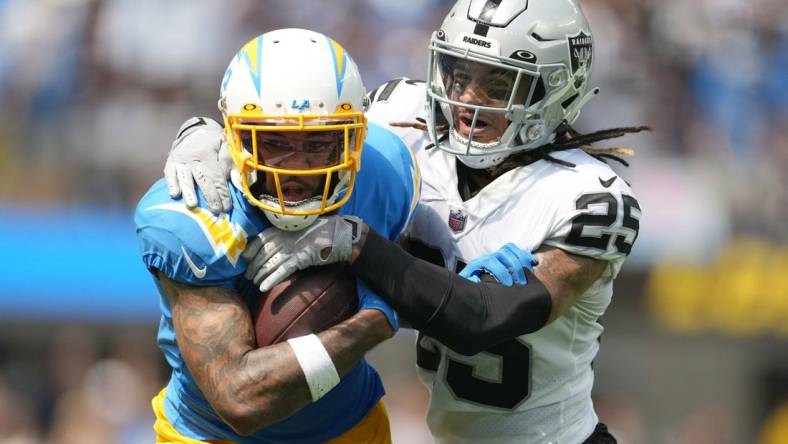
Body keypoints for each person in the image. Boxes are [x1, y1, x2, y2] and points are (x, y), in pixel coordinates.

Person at [164, 1, 646, 442]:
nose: (466, 100)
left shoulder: (590, 199)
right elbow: (309, 131)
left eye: (499, 84)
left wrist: (356, 244)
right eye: (458, 75)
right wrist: (211, 133)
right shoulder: (400, 118)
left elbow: (483, 318)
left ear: (558, 87)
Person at [135, 28, 423, 443]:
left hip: (350, 429)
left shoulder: (384, 173)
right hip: (214, 436)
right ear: (233, 137)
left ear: (356, 136)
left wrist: (380, 262)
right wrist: (377, 315)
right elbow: (241, 401)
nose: (298, 168)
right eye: (274, 142)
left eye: (320, 142)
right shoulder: (193, 212)